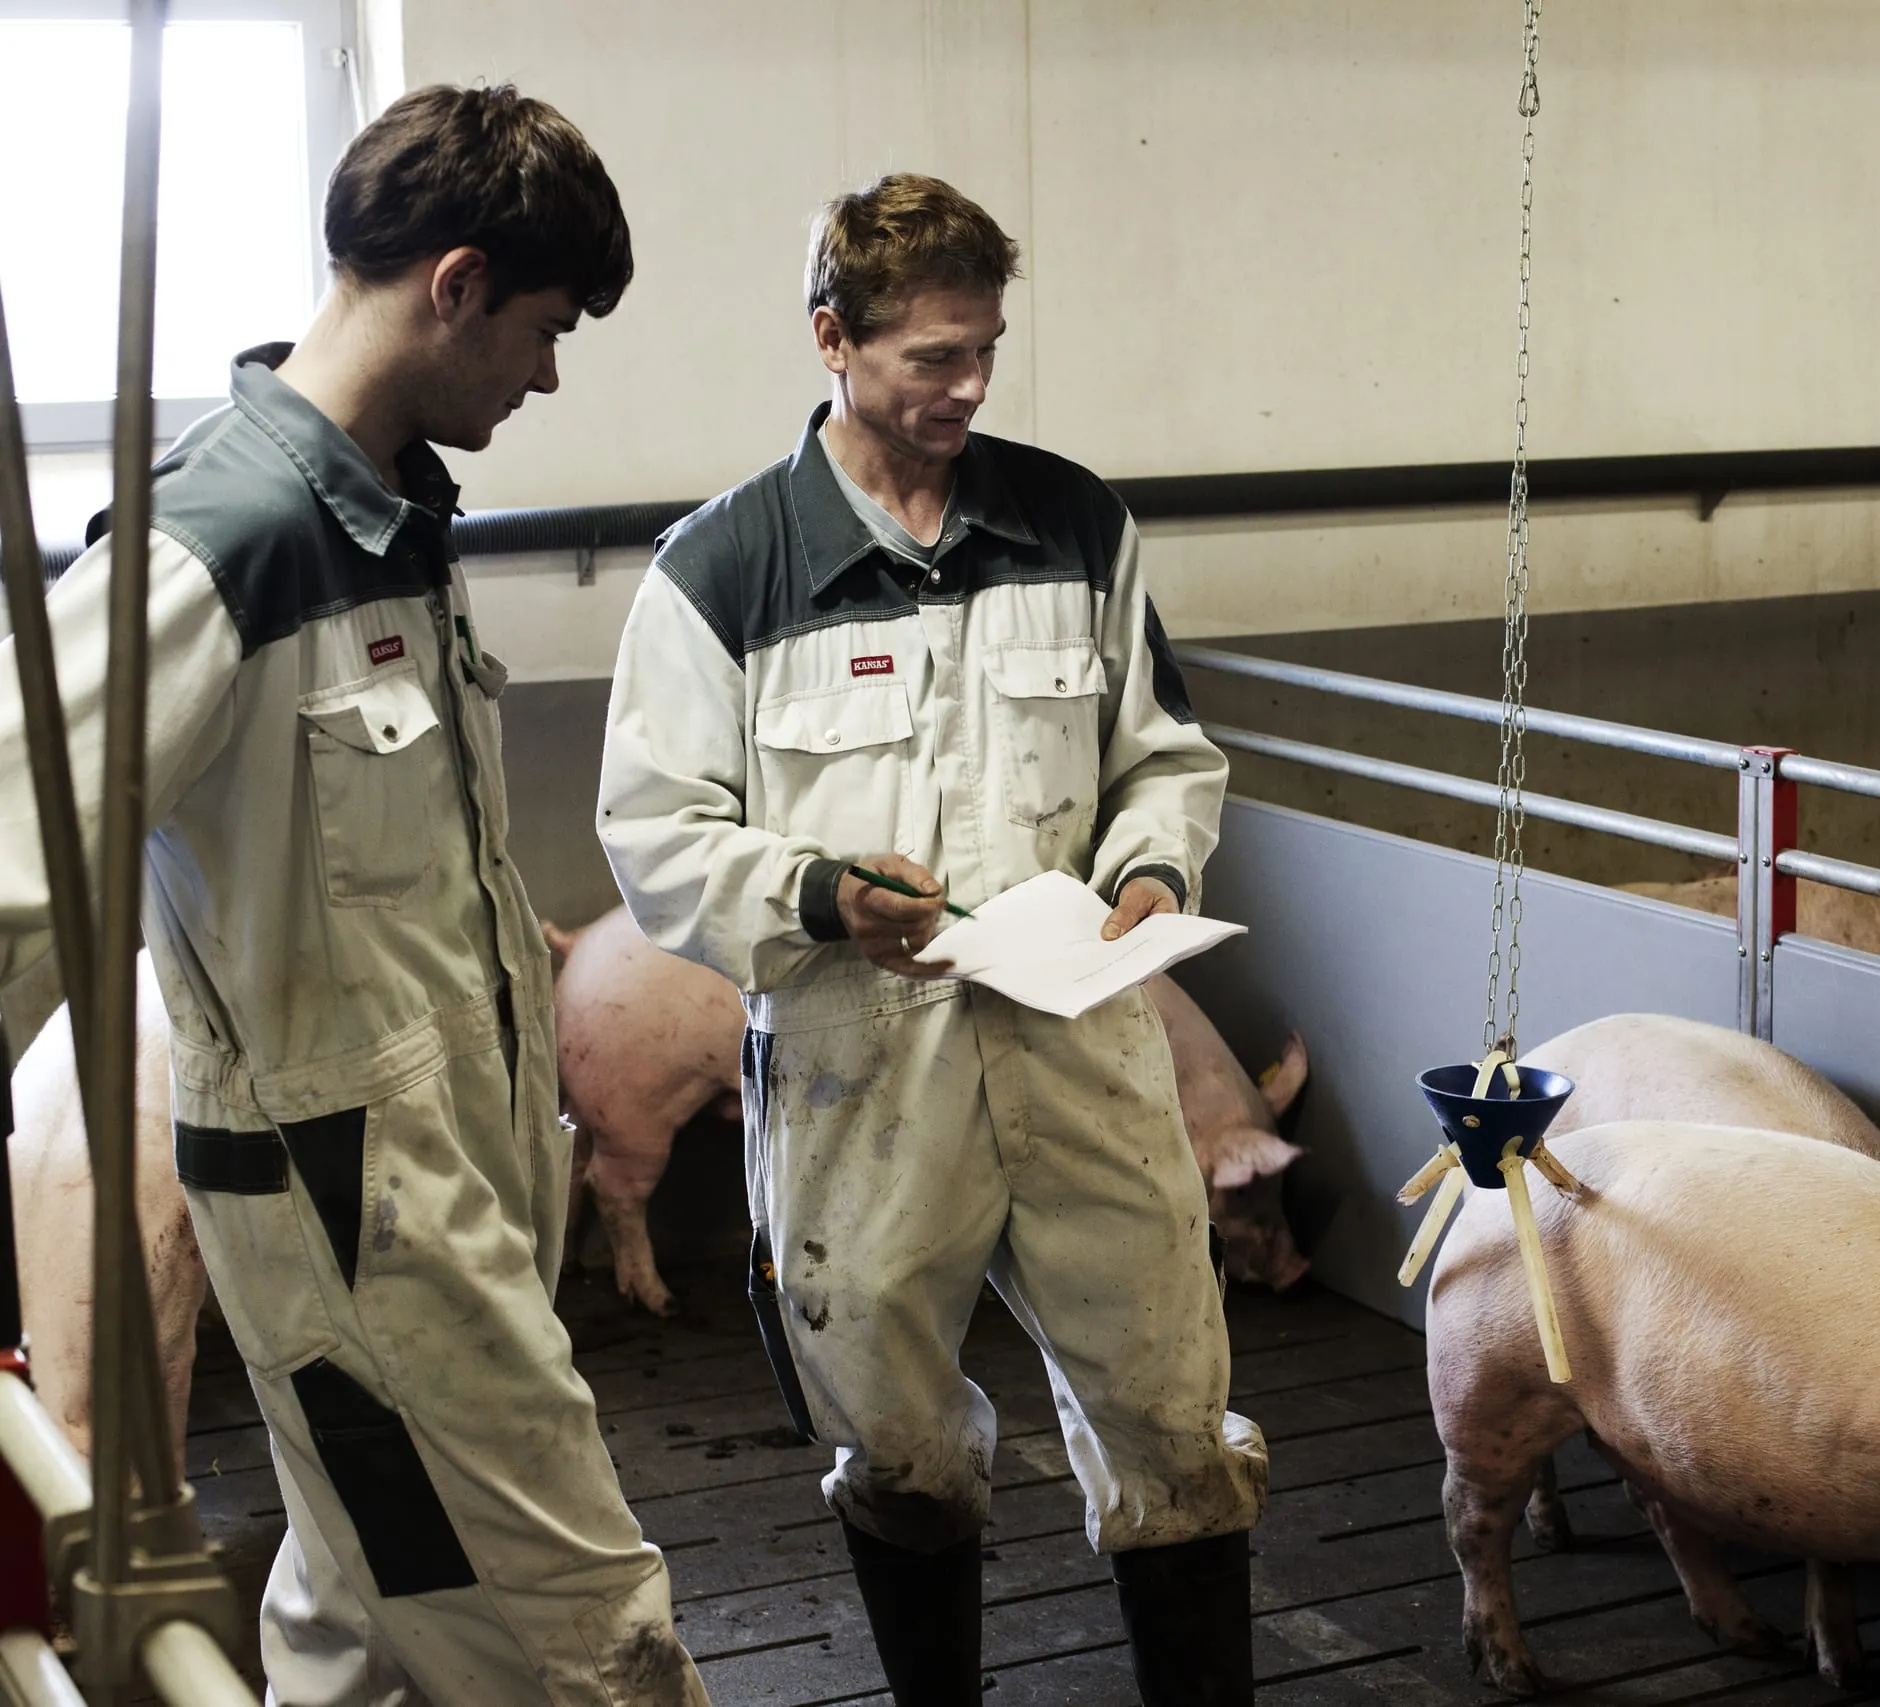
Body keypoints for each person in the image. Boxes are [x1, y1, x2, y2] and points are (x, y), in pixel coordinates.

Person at [0, 86, 705, 1707]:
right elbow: (11, 855)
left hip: (453, 1186)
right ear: (452, 285)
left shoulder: (387, 516)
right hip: (368, 1237)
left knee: (368, 1616)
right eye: (540, 329)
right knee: (600, 1649)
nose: (544, 374)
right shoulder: (220, 548)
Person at [596, 173, 1264, 1707]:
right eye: (929, 359)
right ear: (833, 338)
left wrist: (1151, 874)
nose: (966, 387)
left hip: (1081, 1039)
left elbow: (1162, 752)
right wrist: (822, 892)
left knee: (1173, 1409)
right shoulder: (722, 571)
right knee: (892, 1433)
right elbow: (653, 834)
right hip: (861, 1066)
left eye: (985, 352)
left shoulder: (1075, 521)